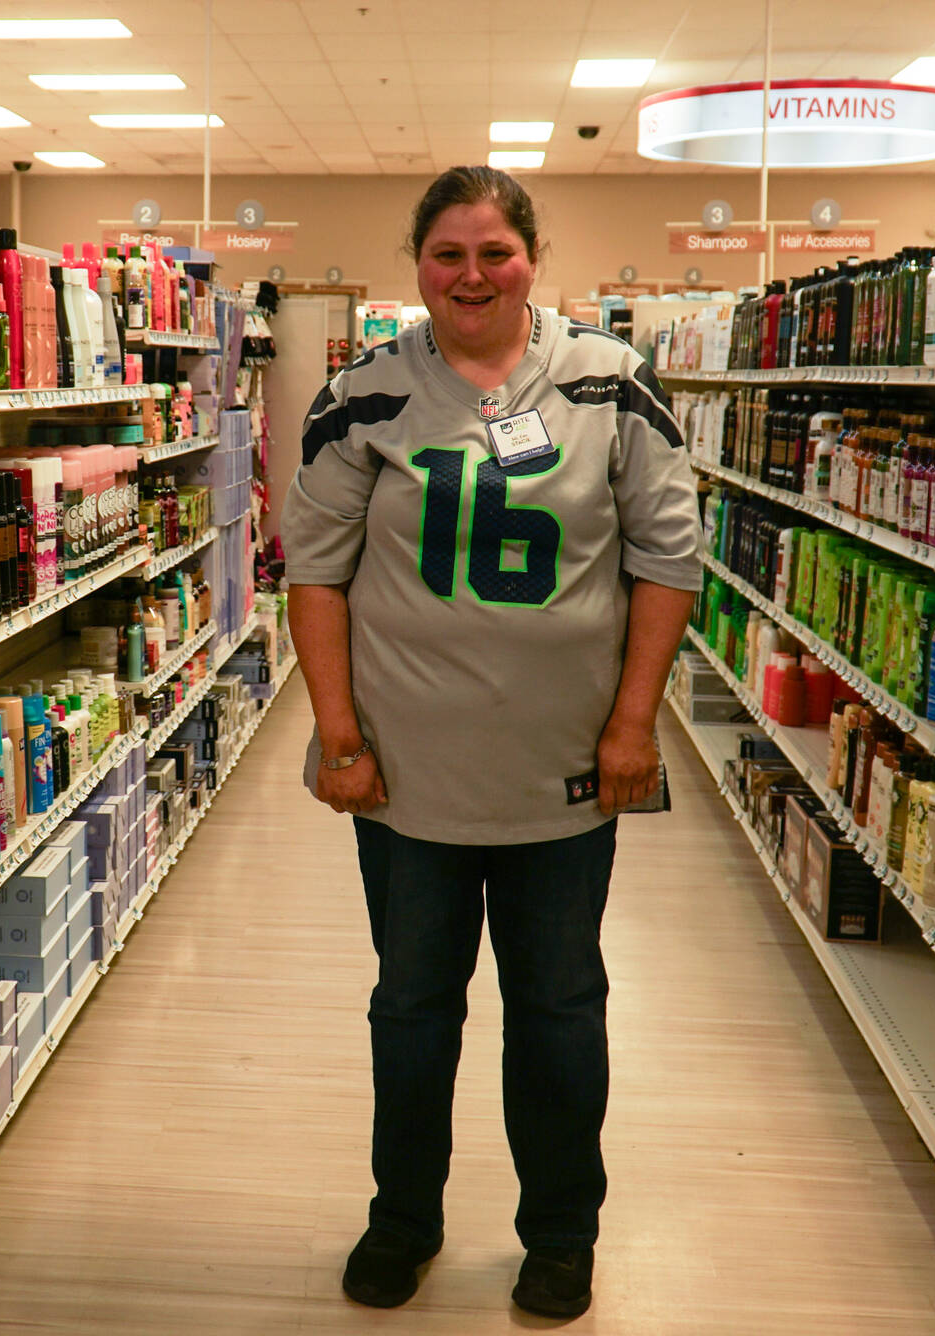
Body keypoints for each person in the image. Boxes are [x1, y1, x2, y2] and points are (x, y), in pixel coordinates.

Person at [283, 166, 700, 1320]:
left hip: (564, 778)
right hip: (405, 781)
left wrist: (632, 726)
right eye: (447, 254)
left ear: (532, 256)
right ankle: (401, 1219)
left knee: (559, 1008)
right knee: (413, 1004)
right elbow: (313, 572)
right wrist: (336, 735)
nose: (471, 275)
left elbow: (667, 560)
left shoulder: (612, 385)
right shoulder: (361, 395)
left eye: (494, 252)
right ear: (417, 263)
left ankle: (561, 1232)